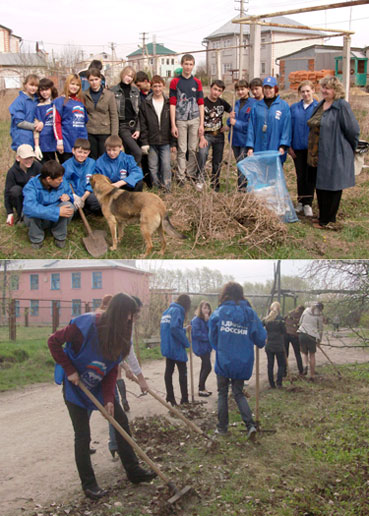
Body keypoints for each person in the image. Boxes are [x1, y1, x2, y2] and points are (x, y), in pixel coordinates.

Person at [48, 293, 156, 500]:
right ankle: (89, 485)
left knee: (121, 422)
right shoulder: (85, 325)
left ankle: (134, 471)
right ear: (119, 314)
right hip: (76, 384)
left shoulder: (122, 336)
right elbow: (53, 341)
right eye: (129, 316)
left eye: (133, 317)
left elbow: (111, 368)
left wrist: (108, 398)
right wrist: (69, 369)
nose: (131, 321)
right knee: (82, 435)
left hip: (98, 383)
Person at [209, 282, 266, 440]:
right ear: (241, 294)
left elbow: (212, 338)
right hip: (242, 361)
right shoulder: (250, 314)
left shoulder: (219, 313)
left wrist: (221, 347)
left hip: (224, 360)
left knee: (222, 393)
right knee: (238, 393)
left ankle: (222, 428)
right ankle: (250, 425)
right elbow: (261, 340)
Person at [307, 76, 360, 229]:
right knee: (321, 185)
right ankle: (322, 216)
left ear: (336, 90)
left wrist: (349, 148)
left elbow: (353, 130)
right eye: (323, 87)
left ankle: (329, 220)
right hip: (319, 153)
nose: (324, 91)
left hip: (334, 152)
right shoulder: (322, 104)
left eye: (327, 88)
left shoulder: (341, 105)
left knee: (333, 186)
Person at [108, 296, 149, 458]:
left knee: (116, 414)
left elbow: (126, 350)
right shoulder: (107, 325)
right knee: (108, 410)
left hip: (111, 371)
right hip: (98, 374)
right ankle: (114, 445)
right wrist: (139, 377)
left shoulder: (127, 325)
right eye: (133, 313)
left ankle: (115, 445)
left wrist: (131, 371)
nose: (134, 318)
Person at [23, 160, 74, 249]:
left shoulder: (61, 180)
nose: (62, 181)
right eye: (59, 179)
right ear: (49, 179)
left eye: (62, 178)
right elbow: (29, 207)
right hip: (39, 219)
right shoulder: (31, 185)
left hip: (55, 219)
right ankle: (37, 238)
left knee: (68, 206)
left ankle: (59, 236)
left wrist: (69, 197)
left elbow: (69, 193)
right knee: (31, 213)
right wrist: (56, 211)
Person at [169, 54, 204, 185]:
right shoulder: (175, 82)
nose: (188, 67)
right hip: (181, 120)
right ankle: (180, 177)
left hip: (194, 119)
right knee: (182, 149)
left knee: (192, 149)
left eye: (190, 64)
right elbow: (172, 103)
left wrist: (201, 124)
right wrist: (173, 124)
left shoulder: (197, 82)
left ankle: (190, 174)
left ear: (193, 65)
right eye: (186, 64)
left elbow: (201, 103)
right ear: (182, 65)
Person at [139, 75, 175, 192]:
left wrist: (174, 142)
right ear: (151, 87)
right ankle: (156, 188)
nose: (157, 89)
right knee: (153, 167)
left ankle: (167, 188)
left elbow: (173, 124)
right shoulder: (146, 103)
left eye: (160, 86)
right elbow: (143, 124)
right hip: (151, 141)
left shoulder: (169, 103)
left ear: (164, 86)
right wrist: (144, 142)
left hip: (165, 140)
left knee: (165, 165)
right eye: (155, 86)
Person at [289, 80, 318, 217]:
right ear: (299, 93)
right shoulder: (294, 108)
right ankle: (300, 202)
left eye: (308, 91)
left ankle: (308, 203)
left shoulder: (318, 107)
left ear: (313, 90)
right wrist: (289, 145)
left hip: (313, 149)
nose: (305, 94)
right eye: (303, 91)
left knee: (310, 176)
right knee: (300, 175)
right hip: (297, 148)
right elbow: (289, 127)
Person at [246, 76, 291, 165]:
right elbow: (251, 127)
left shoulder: (283, 106)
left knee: (273, 175)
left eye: (270, 88)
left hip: (275, 146)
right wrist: (250, 146)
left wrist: (283, 145)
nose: (268, 90)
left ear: (275, 89)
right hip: (259, 146)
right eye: (265, 88)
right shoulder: (256, 106)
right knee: (260, 173)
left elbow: (287, 127)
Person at [198, 80, 232, 191]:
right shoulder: (202, 103)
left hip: (219, 136)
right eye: (215, 89)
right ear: (210, 88)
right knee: (203, 154)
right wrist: (201, 137)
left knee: (217, 161)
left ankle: (215, 183)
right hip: (206, 135)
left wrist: (228, 126)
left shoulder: (222, 103)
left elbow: (233, 113)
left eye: (219, 91)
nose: (216, 92)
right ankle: (200, 178)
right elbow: (198, 121)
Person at [160, 294, 191, 406]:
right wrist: (186, 342)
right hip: (176, 347)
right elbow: (174, 328)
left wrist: (184, 329)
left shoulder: (167, 311)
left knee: (169, 371)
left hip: (168, 346)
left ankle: (170, 397)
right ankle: (185, 399)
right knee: (183, 372)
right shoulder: (179, 311)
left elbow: (171, 328)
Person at [226, 79, 256, 191]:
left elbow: (251, 125)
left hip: (245, 140)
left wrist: (236, 123)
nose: (240, 92)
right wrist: (230, 119)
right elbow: (229, 123)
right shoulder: (236, 103)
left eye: (242, 89)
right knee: (239, 164)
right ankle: (241, 188)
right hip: (235, 139)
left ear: (248, 89)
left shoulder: (253, 104)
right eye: (238, 90)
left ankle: (243, 190)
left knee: (243, 165)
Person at [83, 69, 119, 160]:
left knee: (104, 158)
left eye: (96, 79)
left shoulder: (109, 95)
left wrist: (114, 136)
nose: (94, 82)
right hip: (90, 131)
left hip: (105, 132)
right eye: (91, 80)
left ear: (100, 79)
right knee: (92, 158)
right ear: (88, 81)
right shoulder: (84, 95)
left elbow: (114, 116)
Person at [53, 74, 88, 164]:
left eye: (77, 85)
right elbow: (56, 122)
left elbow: (85, 120)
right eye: (72, 84)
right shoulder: (59, 101)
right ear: (67, 84)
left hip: (80, 140)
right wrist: (59, 141)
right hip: (66, 141)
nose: (74, 87)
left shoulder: (81, 101)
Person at [111, 66, 142, 165]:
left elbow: (139, 112)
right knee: (138, 152)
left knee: (129, 154)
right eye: (127, 75)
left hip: (134, 125)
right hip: (123, 126)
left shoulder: (135, 91)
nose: (129, 78)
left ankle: (128, 176)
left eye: (132, 77)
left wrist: (138, 129)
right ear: (122, 74)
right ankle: (133, 175)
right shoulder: (113, 91)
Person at [4, 144, 42, 226]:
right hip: (21, 197)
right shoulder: (12, 172)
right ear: (18, 158)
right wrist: (9, 212)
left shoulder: (38, 166)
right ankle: (20, 215)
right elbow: (7, 193)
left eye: (31, 157)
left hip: (35, 195)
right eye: (26, 158)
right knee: (15, 190)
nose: (29, 160)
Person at [62, 138, 101, 215]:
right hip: (73, 196)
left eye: (85, 153)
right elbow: (63, 182)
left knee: (99, 201)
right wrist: (73, 196)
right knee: (70, 210)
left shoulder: (92, 163)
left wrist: (83, 198)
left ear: (89, 152)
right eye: (79, 152)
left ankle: (87, 210)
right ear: (73, 150)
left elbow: (93, 181)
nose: (82, 155)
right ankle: (79, 212)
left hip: (87, 194)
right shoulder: (66, 165)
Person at [9, 74, 42, 151]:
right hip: (23, 138)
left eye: (36, 86)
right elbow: (19, 122)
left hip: (35, 138)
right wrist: (35, 126)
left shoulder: (37, 100)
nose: (33, 88)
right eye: (31, 85)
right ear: (25, 85)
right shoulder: (19, 101)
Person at [34, 78, 58, 162]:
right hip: (45, 142)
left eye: (46, 89)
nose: (44, 92)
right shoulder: (39, 106)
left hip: (58, 140)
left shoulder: (58, 103)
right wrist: (37, 146)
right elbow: (36, 128)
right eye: (41, 90)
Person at [297, 302, 324, 380]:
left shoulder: (306, 310)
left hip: (302, 333)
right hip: (312, 336)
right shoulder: (319, 315)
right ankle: (312, 375)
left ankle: (305, 365)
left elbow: (300, 322)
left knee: (304, 353)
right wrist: (319, 340)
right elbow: (321, 329)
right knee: (312, 354)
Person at [191, 300, 213, 397]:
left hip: (207, 347)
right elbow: (196, 334)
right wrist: (208, 337)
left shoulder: (207, 319)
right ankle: (201, 388)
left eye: (208, 308)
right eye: (204, 308)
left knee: (204, 366)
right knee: (208, 367)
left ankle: (202, 388)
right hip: (201, 347)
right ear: (200, 309)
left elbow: (211, 330)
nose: (206, 310)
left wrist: (208, 321)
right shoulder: (196, 320)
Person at [263, 302, 286, 389]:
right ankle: (279, 383)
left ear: (270, 308)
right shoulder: (280, 319)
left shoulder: (266, 319)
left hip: (269, 345)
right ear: (279, 309)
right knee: (281, 364)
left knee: (270, 364)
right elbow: (284, 331)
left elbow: (260, 326)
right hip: (279, 345)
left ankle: (271, 384)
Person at [283, 305, 305, 376]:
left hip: (286, 334)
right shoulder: (302, 316)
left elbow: (284, 320)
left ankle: (284, 371)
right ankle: (301, 371)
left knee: (285, 353)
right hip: (294, 335)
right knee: (297, 353)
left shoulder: (290, 313)